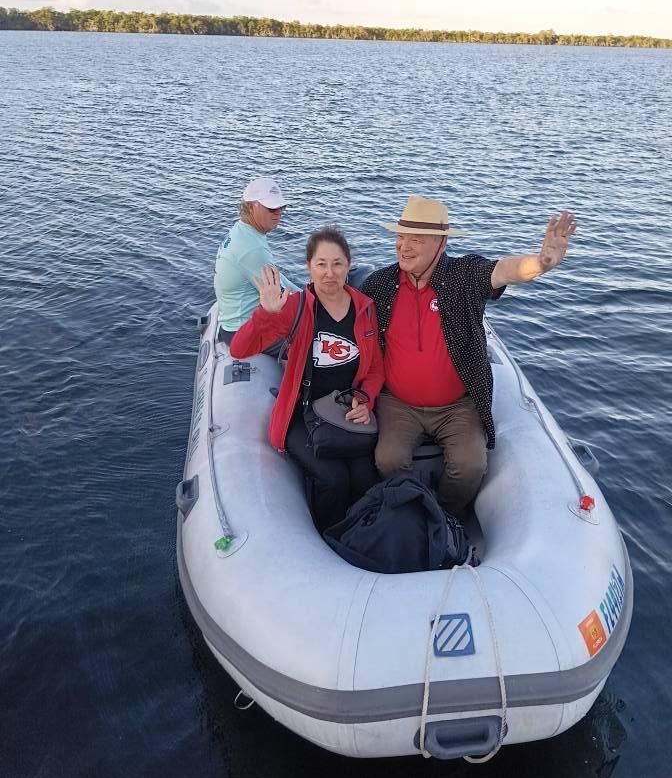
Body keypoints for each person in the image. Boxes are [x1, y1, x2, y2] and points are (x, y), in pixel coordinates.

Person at [360, 195, 577, 517]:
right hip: (398, 403)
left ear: (441, 243)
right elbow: (349, 327)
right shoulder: (379, 284)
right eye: (400, 237)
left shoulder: (464, 275)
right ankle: (410, 513)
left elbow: (503, 271)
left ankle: (444, 517)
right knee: (388, 459)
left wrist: (541, 262)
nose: (403, 246)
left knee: (470, 466)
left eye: (415, 240)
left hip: (457, 405)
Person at [230, 227, 384, 532]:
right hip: (302, 414)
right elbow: (240, 348)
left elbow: (377, 369)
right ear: (309, 267)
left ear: (349, 266)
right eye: (321, 264)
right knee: (333, 480)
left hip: (343, 412)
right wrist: (266, 313)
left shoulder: (365, 310)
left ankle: (361, 538)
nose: (330, 273)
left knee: (367, 478)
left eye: (338, 264)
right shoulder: (296, 309)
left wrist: (365, 399)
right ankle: (329, 539)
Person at [214, 177, 300, 344]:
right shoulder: (252, 249)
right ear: (252, 207)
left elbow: (279, 281)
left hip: (234, 324)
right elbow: (281, 298)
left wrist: (307, 293)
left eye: (281, 206)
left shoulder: (243, 231)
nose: (278, 212)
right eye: (272, 208)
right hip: (243, 332)